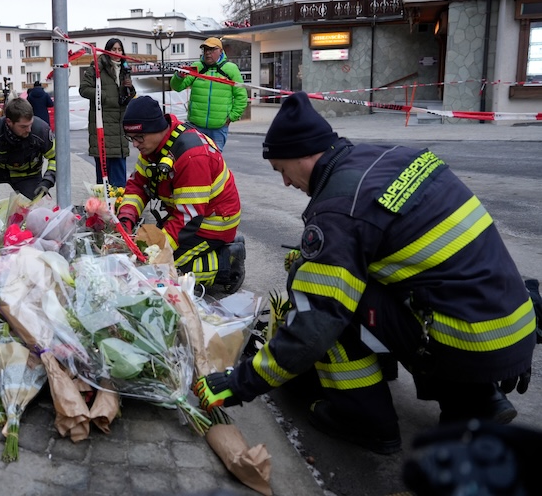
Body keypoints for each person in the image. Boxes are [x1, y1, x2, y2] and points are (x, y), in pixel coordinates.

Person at [194, 92, 537, 455]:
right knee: (405, 283)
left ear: (304, 155)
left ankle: (366, 420)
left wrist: (239, 383)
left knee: (330, 303)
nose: (286, 183)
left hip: (466, 342)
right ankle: (474, 399)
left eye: (282, 170)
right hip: (512, 323)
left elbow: (316, 323)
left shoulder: (339, 209)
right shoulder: (395, 158)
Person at [116, 95, 245, 293]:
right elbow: (138, 186)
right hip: (189, 217)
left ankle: (227, 262)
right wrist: (126, 218)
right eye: (131, 138)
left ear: (156, 128)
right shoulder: (153, 148)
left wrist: (158, 251)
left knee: (160, 271)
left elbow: (188, 218)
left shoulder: (191, 155)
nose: (135, 144)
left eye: (138, 138)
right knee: (144, 260)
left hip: (211, 224)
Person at [169, 37, 247, 151]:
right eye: (205, 50)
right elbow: (177, 87)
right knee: (195, 158)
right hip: (195, 125)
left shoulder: (231, 69)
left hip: (218, 128)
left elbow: (241, 96)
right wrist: (179, 77)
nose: (207, 53)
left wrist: (231, 118)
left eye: (211, 50)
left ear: (220, 51)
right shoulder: (197, 67)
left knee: (214, 162)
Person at [79, 37, 135, 188]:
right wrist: (104, 96)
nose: (117, 52)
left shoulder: (125, 69)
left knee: (119, 175)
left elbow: (127, 97)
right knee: (104, 176)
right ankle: (104, 206)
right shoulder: (97, 67)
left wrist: (130, 89)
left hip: (119, 127)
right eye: (114, 49)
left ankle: (119, 206)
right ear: (107, 50)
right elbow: (84, 89)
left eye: (119, 49)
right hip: (102, 123)